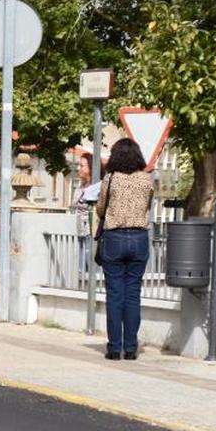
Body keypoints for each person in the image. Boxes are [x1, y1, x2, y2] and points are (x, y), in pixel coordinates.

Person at [95, 138, 153, 360]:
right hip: (139, 239)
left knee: (115, 295)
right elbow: (148, 205)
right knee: (133, 295)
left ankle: (114, 347)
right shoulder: (147, 180)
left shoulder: (110, 179)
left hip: (115, 239)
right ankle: (130, 348)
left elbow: (101, 208)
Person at [72, 152, 93, 274]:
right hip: (78, 232)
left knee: (89, 268)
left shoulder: (96, 187)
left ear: (90, 168)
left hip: (89, 234)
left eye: (82, 165)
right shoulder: (80, 185)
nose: (78, 168)